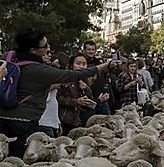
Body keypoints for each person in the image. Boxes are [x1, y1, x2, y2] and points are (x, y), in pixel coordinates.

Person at [0, 30, 109, 158]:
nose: (48, 48)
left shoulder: (8, 59)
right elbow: (72, 74)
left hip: (3, 117)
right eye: (45, 46)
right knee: (19, 159)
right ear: (33, 50)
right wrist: (101, 67)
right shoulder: (40, 70)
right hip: (25, 121)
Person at [58, 53, 98, 134]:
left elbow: (90, 98)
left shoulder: (84, 79)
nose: (81, 66)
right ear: (71, 65)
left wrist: (86, 89)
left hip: (79, 118)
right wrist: (76, 101)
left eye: (84, 64)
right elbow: (58, 98)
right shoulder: (65, 78)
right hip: (65, 119)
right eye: (78, 63)